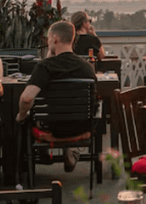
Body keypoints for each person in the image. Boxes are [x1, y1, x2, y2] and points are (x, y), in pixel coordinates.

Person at [16, 21, 96, 172]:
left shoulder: (45, 67)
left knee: (22, 120)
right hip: (81, 127)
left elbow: (26, 99)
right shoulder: (87, 67)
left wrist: (21, 115)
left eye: (48, 39)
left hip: (52, 129)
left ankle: (26, 168)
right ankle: (71, 150)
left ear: (54, 39)